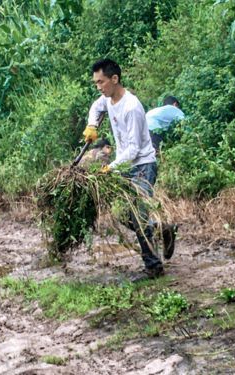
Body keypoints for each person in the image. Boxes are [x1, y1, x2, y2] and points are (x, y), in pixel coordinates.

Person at [82, 58, 177, 280]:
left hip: (143, 166)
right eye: (96, 83)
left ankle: (154, 267)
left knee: (138, 215)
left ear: (115, 79)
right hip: (125, 165)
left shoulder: (132, 107)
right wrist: (92, 124)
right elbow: (97, 106)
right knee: (124, 215)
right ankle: (162, 228)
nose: (99, 87)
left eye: (101, 82)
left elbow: (134, 149)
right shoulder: (108, 100)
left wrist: (110, 168)